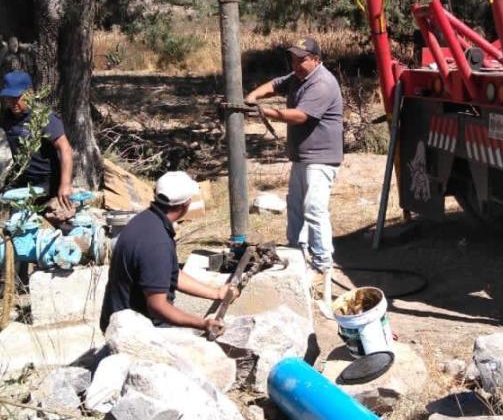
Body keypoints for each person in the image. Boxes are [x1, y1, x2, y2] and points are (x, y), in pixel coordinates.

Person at [244, 36, 343, 315]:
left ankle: (321, 264)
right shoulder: (298, 77)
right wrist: (252, 97)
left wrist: (264, 111)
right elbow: (276, 84)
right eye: (293, 59)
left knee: (314, 208)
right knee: (296, 206)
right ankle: (296, 253)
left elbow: (300, 116)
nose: (296, 64)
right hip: (303, 157)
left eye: (302, 59)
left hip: (321, 158)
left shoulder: (321, 83)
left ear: (316, 59)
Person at [100, 170, 229, 334]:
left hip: (120, 319)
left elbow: (171, 274)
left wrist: (216, 293)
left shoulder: (145, 221)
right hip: (135, 332)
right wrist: (203, 324)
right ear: (186, 204)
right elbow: (157, 307)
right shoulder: (157, 242)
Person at [0, 70, 75, 218]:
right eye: (9, 98)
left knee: (28, 216)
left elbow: (65, 149)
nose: (12, 103)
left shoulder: (44, 116)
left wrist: (65, 184)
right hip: (23, 178)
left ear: (29, 94)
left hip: (47, 180)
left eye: (16, 97)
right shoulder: (7, 117)